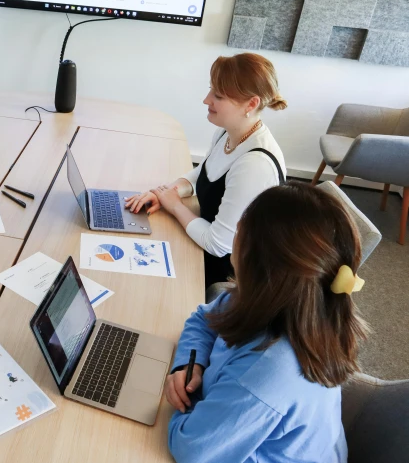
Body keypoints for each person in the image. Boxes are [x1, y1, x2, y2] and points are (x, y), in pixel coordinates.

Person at [164, 182, 369, 463]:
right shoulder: (281, 301)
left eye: (242, 229)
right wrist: (190, 362)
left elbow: (190, 449)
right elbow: (204, 318)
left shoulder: (266, 373)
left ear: (258, 264)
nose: (235, 230)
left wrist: (192, 400)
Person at [125, 53, 287, 287]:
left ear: (251, 104)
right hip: (205, 244)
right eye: (211, 90)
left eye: (218, 95)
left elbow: (217, 244)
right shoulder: (229, 132)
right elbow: (206, 170)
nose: (206, 100)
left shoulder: (255, 165)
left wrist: (174, 205)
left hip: (231, 275)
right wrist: (166, 191)